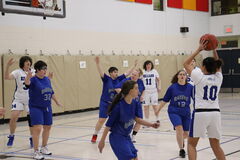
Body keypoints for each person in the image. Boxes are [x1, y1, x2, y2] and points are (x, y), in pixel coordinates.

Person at [183, 40, 225, 160]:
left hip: (201, 113)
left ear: (204, 67)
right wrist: (214, 49)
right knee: (216, 145)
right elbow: (218, 66)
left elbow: (185, 63)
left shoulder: (198, 76)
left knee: (191, 144)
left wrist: (199, 49)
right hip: (215, 113)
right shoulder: (218, 78)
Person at [98, 80, 160, 160]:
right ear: (130, 91)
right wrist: (102, 141)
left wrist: (151, 125)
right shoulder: (119, 107)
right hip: (117, 138)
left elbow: (137, 119)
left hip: (126, 137)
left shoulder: (134, 103)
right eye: (136, 88)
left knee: (135, 158)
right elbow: (108, 126)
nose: (138, 90)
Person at [91, 57, 137, 143]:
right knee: (101, 120)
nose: (116, 73)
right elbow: (101, 72)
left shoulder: (119, 79)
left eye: (117, 72)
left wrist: (133, 66)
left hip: (114, 104)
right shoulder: (106, 79)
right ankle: (95, 134)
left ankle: (118, 135)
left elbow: (127, 73)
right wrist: (97, 64)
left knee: (116, 120)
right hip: (105, 102)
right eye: (115, 72)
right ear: (111, 73)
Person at [25, 60, 61, 160]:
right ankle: (36, 152)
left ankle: (44, 147)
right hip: (36, 107)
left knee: (48, 127)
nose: (45, 71)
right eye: (43, 69)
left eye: (46, 69)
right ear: (37, 70)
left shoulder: (47, 79)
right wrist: (28, 75)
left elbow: (51, 92)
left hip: (47, 107)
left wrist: (57, 101)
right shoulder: (33, 79)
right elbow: (26, 84)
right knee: (37, 128)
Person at [156, 70, 193, 158]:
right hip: (174, 111)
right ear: (177, 76)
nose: (182, 76)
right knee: (179, 129)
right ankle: (181, 149)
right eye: (180, 74)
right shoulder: (172, 87)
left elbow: (196, 98)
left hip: (186, 112)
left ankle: (180, 140)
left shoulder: (190, 87)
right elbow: (165, 100)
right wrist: (158, 109)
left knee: (186, 134)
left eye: (184, 75)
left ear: (186, 77)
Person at [4, 56, 34, 147]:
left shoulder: (33, 72)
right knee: (13, 117)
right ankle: (11, 136)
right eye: (26, 61)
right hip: (19, 98)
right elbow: (6, 77)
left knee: (31, 120)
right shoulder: (17, 72)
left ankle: (32, 138)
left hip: (30, 99)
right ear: (22, 63)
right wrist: (8, 66)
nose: (28, 63)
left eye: (29, 61)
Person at [115, 68, 145, 143]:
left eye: (135, 75)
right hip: (128, 104)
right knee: (126, 120)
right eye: (132, 74)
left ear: (139, 76)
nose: (133, 76)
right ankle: (121, 134)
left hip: (137, 104)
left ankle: (133, 136)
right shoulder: (126, 81)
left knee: (139, 120)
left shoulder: (140, 82)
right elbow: (117, 88)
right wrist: (125, 95)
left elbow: (144, 89)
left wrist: (142, 96)